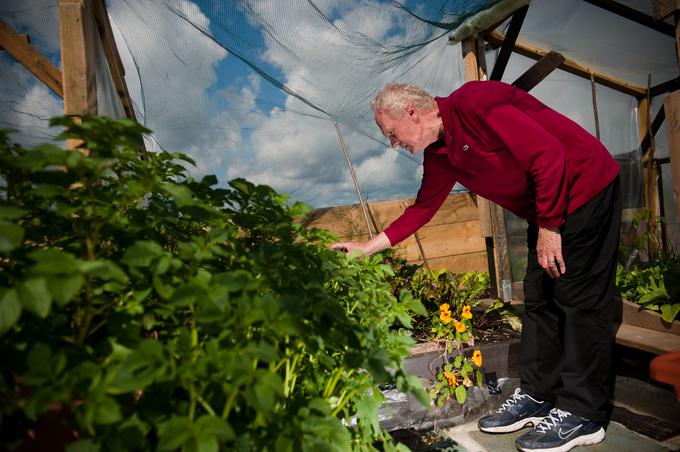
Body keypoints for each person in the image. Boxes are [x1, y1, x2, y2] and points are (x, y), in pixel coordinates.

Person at [332, 80, 621, 452]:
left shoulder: (474, 103)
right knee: (540, 300)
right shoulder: (440, 154)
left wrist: (549, 225)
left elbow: (547, 153)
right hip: (546, 208)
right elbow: (423, 207)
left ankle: (584, 414)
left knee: (579, 301)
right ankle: (537, 395)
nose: (393, 144)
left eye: (390, 133)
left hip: (585, 188)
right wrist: (368, 247)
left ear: (411, 112)